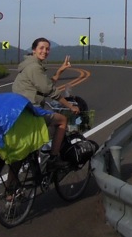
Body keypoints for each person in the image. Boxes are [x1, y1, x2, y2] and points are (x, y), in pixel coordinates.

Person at [12, 37, 82, 166]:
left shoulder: (28, 65)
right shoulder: (34, 67)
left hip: (20, 109)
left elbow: (44, 85)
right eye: (41, 48)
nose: (45, 51)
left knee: (24, 154)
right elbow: (49, 91)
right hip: (31, 110)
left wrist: (59, 71)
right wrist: (70, 106)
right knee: (62, 120)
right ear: (34, 50)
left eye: (47, 49)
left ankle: (15, 178)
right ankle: (54, 158)